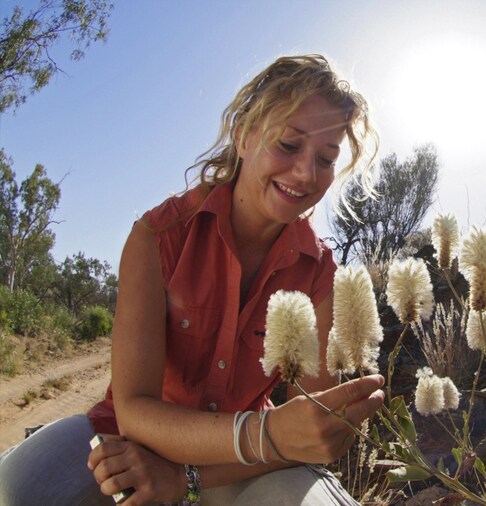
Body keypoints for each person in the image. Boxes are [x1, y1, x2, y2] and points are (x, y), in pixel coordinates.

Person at [0, 54, 384, 505]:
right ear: (243, 135)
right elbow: (134, 410)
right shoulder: (157, 236)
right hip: (127, 445)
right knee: (22, 489)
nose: (305, 172)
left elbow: (315, 433)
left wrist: (189, 477)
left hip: (237, 465)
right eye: (287, 144)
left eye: (325, 157)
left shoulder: (320, 273)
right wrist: (267, 433)